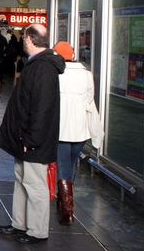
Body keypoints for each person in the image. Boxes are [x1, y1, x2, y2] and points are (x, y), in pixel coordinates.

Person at [0, 24, 65, 244]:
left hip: (33, 140)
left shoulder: (43, 68)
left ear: (30, 40)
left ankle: (37, 230)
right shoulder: (37, 65)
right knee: (22, 179)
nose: (22, 40)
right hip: (24, 137)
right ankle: (20, 224)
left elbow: (42, 108)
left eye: (24, 37)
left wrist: (32, 139)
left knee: (35, 185)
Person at [53, 40, 95, 225]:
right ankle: (64, 199)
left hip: (61, 127)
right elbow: (89, 100)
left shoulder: (57, 75)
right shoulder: (87, 75)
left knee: (62, 164)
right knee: (71, 163)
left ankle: (67, 210)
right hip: (80, 128)